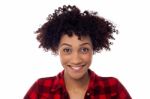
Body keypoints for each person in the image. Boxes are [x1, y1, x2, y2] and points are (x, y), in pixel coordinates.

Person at [24, 5, 131, 99]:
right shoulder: (41, 89)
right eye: (67, 50)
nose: (76, 60)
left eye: (84, 49)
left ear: (93, 49)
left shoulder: (112, 89)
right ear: (57, 50)